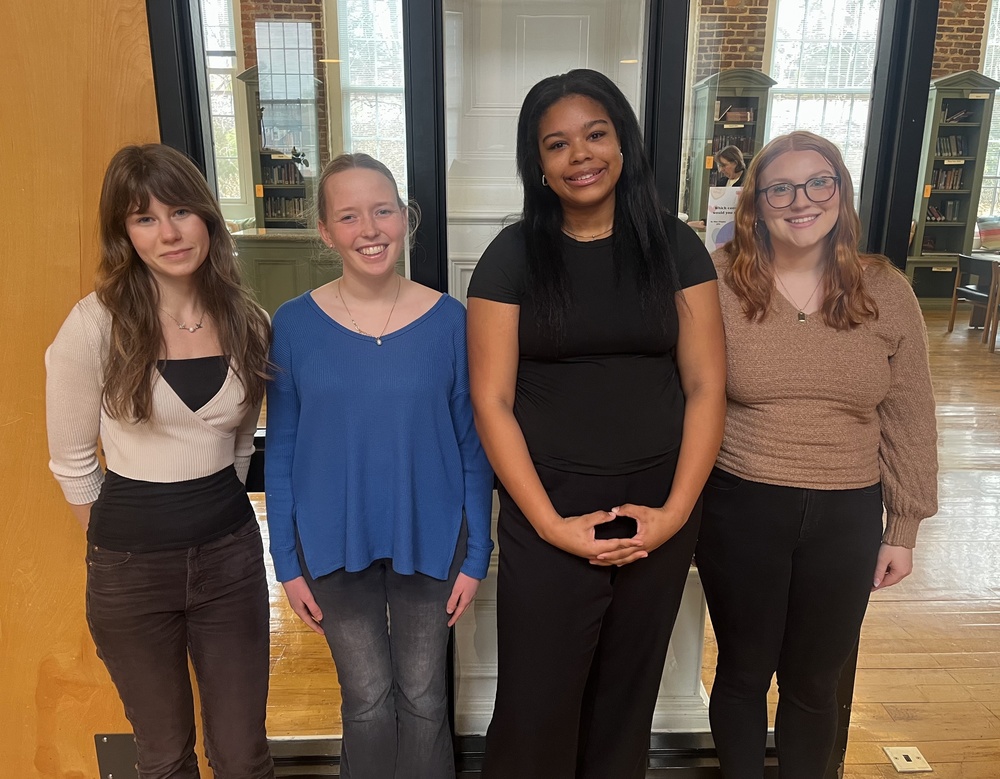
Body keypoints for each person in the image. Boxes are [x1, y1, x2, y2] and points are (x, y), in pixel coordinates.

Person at [467, 68, 727, 779]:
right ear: (539, 165)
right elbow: (490, 400)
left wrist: (675, 513)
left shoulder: (675, 247)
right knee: (535, 702)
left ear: (623, 143)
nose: (580, 155)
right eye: (557, 144)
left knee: (626, 698)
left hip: (658, 515)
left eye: (595, 134)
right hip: (546, 511)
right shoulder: (511, 256)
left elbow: (708, 385)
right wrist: (550, 524)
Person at [698, 130, 938, 778]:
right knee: (745, 670)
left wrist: (904, 527)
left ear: (840, 194)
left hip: (847, 514)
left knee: (813, 680)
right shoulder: (718, 284)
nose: (800, 199)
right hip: (742, 503)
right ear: (756, 203)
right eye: (780, 187)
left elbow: (910, 412)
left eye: (818, 183)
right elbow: (687, 392)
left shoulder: (886, 291)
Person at [45, 144, 275, 779]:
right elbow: (71, 464)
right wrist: (131, 543)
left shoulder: (247, 320)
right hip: (129, 571)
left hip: (230, 559)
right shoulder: (93, 326)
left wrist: (204, 515)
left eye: (180, 211)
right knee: (164, 754)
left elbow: (234, 446)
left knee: (242, 753)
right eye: (144, 218)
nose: (169, 233)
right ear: (124, 233)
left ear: (207, 217)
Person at [265, 153, 494, 779]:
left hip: (435, 537)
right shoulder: (292, 326)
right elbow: (280, 451)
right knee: (366, 702)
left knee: (424, 700)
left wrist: (476, 556)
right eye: (348, 215)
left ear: (405, 218)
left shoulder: (452, 322)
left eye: (382, 210)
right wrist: (286, 564)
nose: (369, 228)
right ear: (326, 231)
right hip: (331, 541)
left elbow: (473, 446)